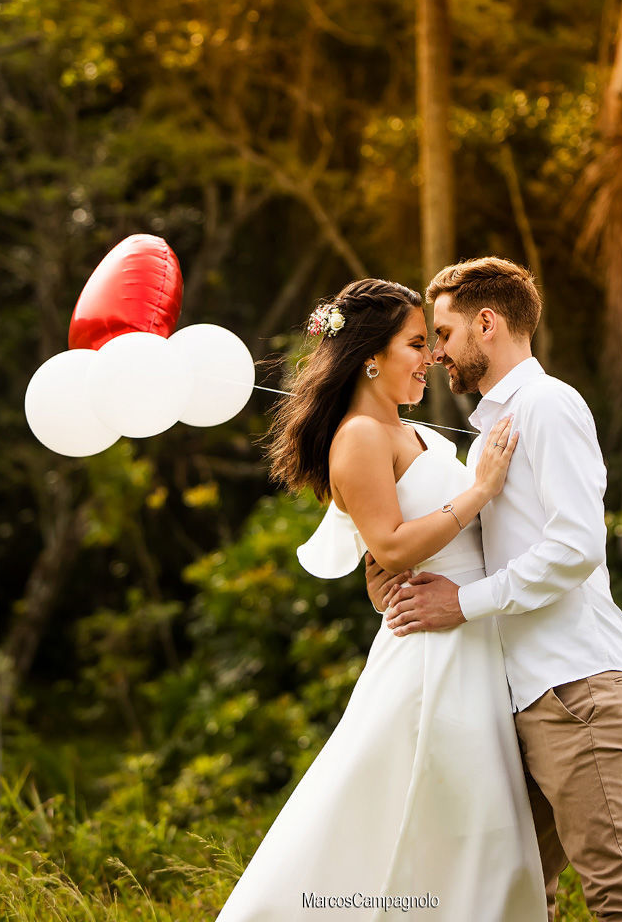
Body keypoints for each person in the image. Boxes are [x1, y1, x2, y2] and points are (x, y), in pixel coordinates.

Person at [215, 277, 546, 921]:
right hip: (431, 659)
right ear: (371, 355)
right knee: (414, 826)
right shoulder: (359, 435)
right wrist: (478, 493)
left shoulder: (414, 432)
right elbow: (391, 547)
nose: (431, 359)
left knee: (476, 842)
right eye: (417, 344)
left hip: (475, 645)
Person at [375, 257, 622, 922]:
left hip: (577, 687)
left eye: (442, 334)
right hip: (520, 698)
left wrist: (461, 605)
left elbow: (574, 547)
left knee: (618, 894)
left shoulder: (547, 404)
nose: (438, 354)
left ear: (487, 323)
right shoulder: (487, 437)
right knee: (509, 898)